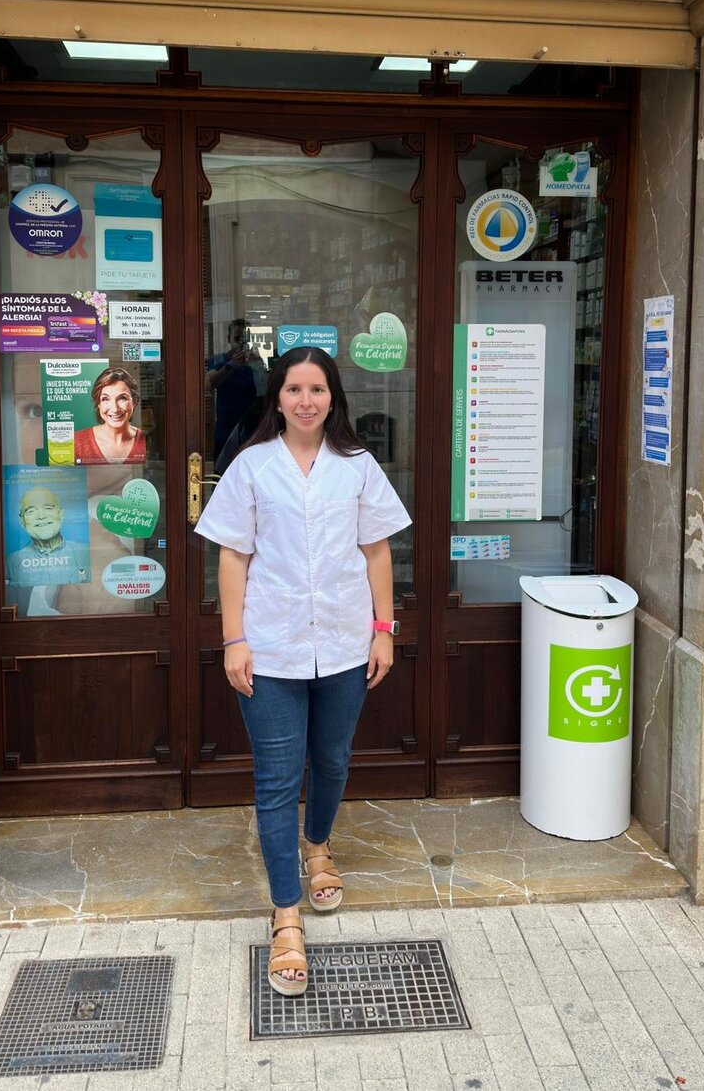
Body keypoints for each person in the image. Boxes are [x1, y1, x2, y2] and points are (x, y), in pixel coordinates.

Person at [194, 347, 410, 998]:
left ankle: (318, 843)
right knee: (276, 776)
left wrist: (384, 628)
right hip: (271, 645)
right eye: (294, 388)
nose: (306, 399)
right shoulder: (251, 467)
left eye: (317, 388)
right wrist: (233, 638)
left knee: (335, 758)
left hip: (346, 642)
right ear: (277, 397)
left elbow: (377, 551)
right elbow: (233, 559)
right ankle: (285, 913)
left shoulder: (358, 466)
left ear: (333, 397)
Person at [206, 318, 264, 469]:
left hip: (255, 429)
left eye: (246, 340)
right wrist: (230, 366)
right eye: (237, 339)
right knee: (221, 474)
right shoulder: (220, 360)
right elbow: (209, 384)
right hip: (226, 429)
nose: (241, 344)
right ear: (229, 339)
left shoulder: (261, 361)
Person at [4, 485, 90, 586]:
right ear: (22, 520)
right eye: (31, 511)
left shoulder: (86, 554)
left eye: (48, 508)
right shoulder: (10, 564)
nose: (41, 516)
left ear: (61, 513)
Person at [74, 367, 146, 464]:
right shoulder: (77, 442)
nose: (115, 409)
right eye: (105, 399)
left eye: (122, 398)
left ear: (134, 402)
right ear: (98, 404)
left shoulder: (146, 440)